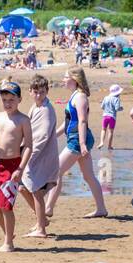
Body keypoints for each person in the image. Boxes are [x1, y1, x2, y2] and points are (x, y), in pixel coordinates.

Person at [45, 68, 108, 220]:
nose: (63, 79)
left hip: (78, 140)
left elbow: (82, 121)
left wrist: (82, 143)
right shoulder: (75, 95)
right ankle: (101, 209)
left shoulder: (80, 97)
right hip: (77, 137)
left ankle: (48, 208)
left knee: (56, 171)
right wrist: (52, 136)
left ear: (75, 79)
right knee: (88, 176)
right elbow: (67, 122)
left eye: (66, 77)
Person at [0, 80, 34, 252]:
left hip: (13, 165)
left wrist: (20, 168)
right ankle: (8, 234)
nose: (7, 103)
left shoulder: (23, 120)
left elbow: (28, 146)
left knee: (6, 205)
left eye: (11, 100)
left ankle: (8, 244)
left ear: (19, 99)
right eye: (4, 100)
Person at [20, 74, 59, 239]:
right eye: (35, 92)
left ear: (47, 91)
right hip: (31, 153)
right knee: (23, 188)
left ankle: (41, 228)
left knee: (35, 190)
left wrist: (30, 156)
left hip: (40, 156)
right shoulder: (34, 107)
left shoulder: (46, 109)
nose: (38, 95)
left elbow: (42, 136)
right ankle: (41, 220)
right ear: (30, 92)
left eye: (42, 92)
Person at [98, 83, 121, 150]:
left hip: (105, 116)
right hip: (112, 117)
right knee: (110, 131)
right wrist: (121, 108)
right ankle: (109, 146)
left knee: (103, 129)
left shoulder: (106, 98)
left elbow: (102, 106)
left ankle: (101, 142)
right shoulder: (116, 99)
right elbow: (117, 108)